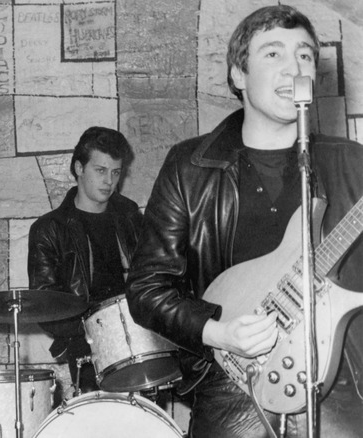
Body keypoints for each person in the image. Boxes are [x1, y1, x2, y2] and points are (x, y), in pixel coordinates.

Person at [127, 5, 363, 437]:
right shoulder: (190, 166)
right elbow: (146, 289)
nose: (295, 66)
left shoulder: (353, 164)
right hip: (233, 388)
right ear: (238, 73)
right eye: (273, 54)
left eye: (305, 55)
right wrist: (218, 332)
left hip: (341, 385)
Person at [28, 127, 142, 394]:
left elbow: (154, 275)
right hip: (86, 345)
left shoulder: (130, 216)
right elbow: (46, 307)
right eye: (100, 170)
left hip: (138, 335)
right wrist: (98, 328)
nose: (109, 181)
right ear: (79, 168)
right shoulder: (50, 229)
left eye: (116, 172)